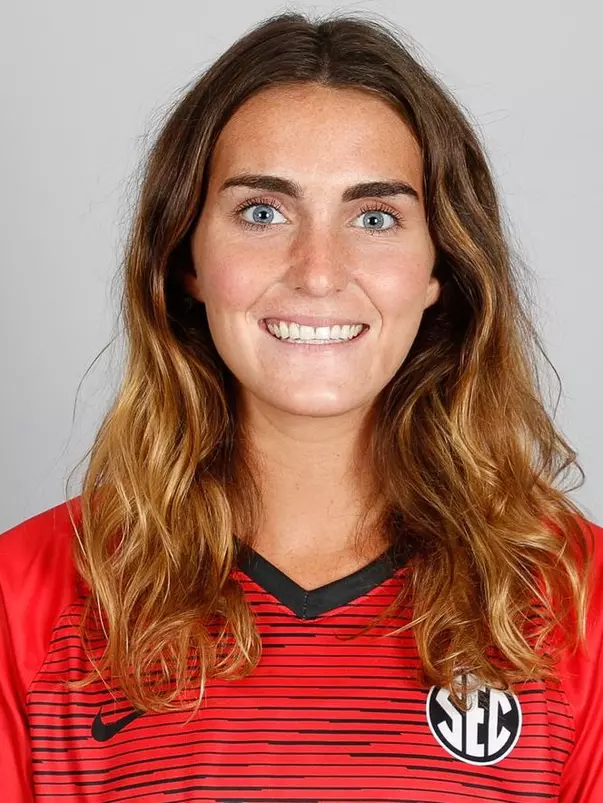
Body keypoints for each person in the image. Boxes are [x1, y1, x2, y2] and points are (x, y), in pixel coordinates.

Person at [1, 9, 601, 803]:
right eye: (262, 212)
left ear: (439, 268)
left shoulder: (577, 598)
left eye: (374, 218)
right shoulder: (26, 596)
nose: (317, 271)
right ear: (184, 256)